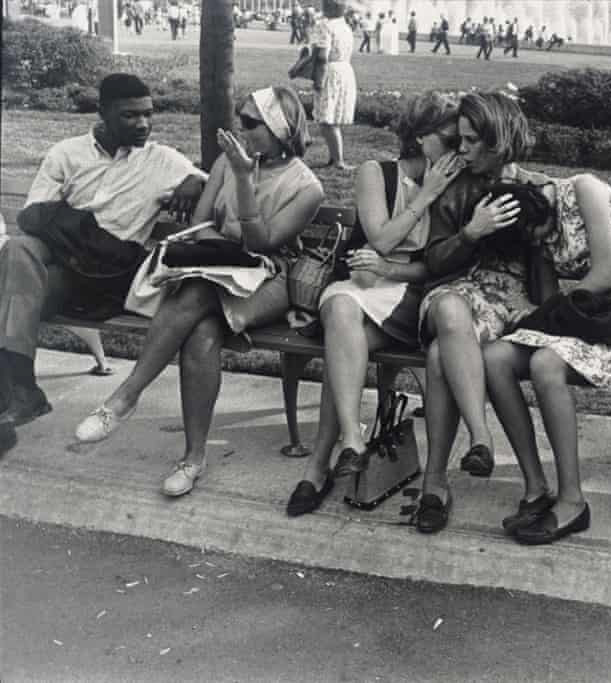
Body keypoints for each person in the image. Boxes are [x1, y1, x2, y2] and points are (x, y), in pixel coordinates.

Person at [74, 86, 323, 498]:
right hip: (218, 269)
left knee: (196, 295)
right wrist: (218, 249)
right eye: (240, 120)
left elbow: (261, 243)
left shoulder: (306, 186)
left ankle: (125, 397)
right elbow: (204, 220)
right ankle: (192, 459)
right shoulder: (228, 162)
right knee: (203, 333)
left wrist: (243, 179)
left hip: (271, 278)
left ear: (279, 129)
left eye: (249, 123)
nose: (239, 130)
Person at [286, 93, 463, 516]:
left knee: (341, 332)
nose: (460, 149)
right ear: (422, 139)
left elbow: (433, 267)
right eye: (451, 139)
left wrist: (390, 269)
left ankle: (319, 465)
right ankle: (351, 441)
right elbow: (380, 236)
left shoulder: (455, 187)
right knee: (343, 320)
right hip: (361, 290)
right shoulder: (376, 173)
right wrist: (426, 194)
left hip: (408, 296)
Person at [0, 74, 205, 429]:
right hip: (60, 264)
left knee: (12, 293)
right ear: (103, 113)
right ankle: (21, 392)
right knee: (19, 248)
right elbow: (33, 216)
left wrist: (195, 180)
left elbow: (215, 180)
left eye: (148, 114)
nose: (143, 124)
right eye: (130, 115)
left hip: (107, 276)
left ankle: (21, 392)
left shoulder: (163, 160)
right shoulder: (67, 153)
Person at [484, 173, 611, 545]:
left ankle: (572, 502)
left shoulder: (585, 189)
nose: (535, 243)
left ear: (538, 213)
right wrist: (539, 308)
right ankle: (537, 490)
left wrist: (547, 313)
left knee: (545, 363)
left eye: (533, 236)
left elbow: (605, 274)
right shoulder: (533, 226)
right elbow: (551, 293)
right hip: (587, 313)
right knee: (494, 359)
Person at [413, 92, 551, 534]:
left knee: (440, 356)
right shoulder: (456, 186)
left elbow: (554, 264)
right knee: (451, 312)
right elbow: (434, 261)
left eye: (472, 141)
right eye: (461, 139)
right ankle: (481, 436)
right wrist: (472, 232)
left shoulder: (537, 187)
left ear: (498, 140)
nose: (462, 149)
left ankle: (436, 482)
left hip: (513, 307)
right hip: (457, 292)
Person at [310, 0, 356, 170]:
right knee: (332, 117)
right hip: (344, 69)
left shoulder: (325, 26)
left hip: (331, 71)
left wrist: (318, 79)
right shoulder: (345, 26)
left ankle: (338, 160)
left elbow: (322, 56)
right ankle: (334, 157)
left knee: (327, 120)